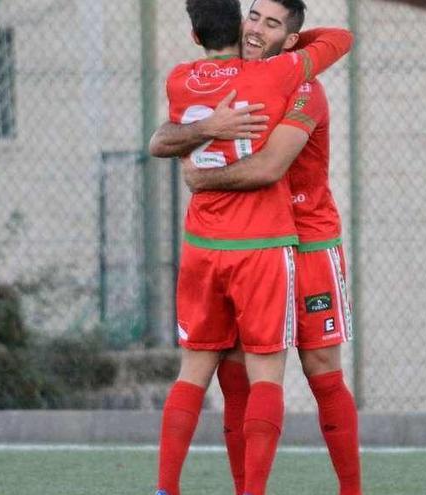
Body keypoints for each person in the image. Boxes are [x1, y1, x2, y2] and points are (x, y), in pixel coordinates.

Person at [150, 1, 361, 494]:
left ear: (291, 39)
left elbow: (268, 168)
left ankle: (352, 490)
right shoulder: (242, 79)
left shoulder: (303, 86)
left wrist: (201, 178)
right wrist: (205, 131)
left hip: (307, 242)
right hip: (260, 245)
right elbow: (163, 135)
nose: (256, 28)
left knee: (320, 369)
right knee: (235, 373)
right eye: (252, 16)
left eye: (272, 23)